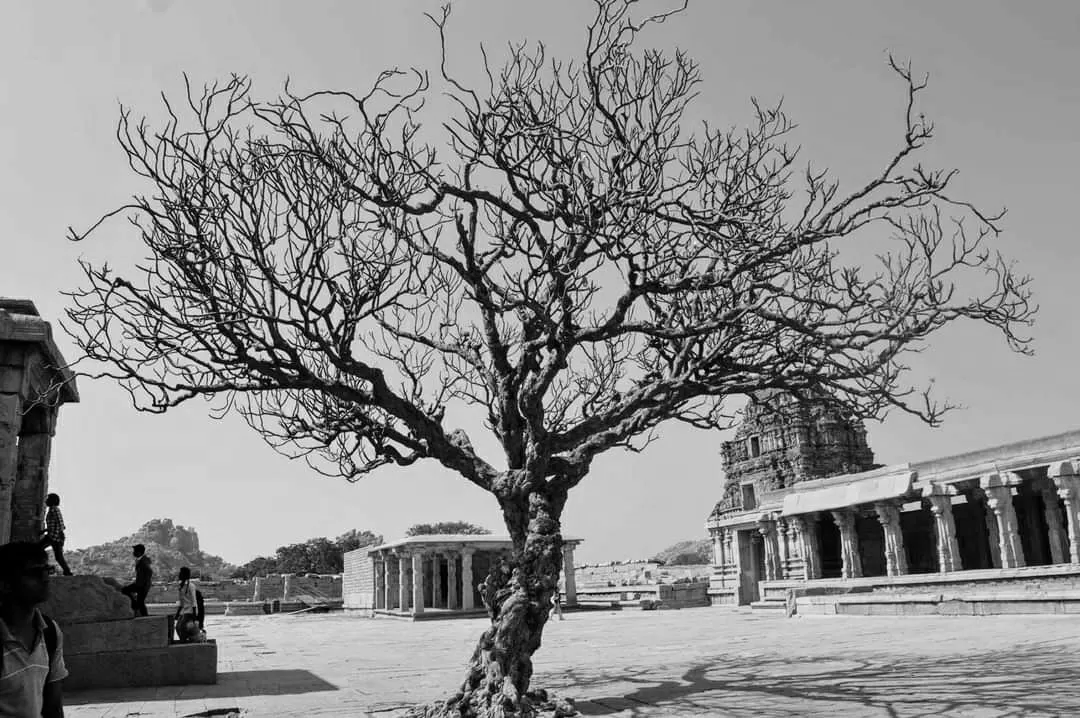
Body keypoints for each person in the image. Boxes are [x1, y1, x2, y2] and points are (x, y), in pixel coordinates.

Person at [0, 541, 68, 718]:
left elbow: (53, 707)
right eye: (35, 573)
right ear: (6, 584)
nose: (45, 578)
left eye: (47, 570)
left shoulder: (49, 632)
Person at [39, 493, 73, 577]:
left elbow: (60, 523)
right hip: (52, 536)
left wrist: (61, 536)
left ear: (52, 501)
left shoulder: (54, 509)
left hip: (55, 537)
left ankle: (66, 572)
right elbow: (53, 524)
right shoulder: (52, 509)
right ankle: (67, 572)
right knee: (58, 557)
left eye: (48, 499)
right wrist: (44, 530)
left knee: (39, 549)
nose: (46, 501)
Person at [121, 544, 153, 617]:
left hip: (142, 585)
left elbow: (149, 572)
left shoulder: (143, 561)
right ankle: (143, 614)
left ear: (139, 552)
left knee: (125, 590)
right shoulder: (141, 560)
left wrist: (144, 582)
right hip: (141, 584)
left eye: (135, 551)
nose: (133, 553)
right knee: (140, 602)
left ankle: (135, 605)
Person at [174, 567, 199, 643]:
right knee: (177, 627)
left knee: (182, 626)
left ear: (184, 575)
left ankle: (184, 642)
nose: (179, 574)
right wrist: (177, 614)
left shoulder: (191, 586)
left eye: (181, 573)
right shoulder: (180, 586)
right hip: (184, 610)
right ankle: (183, 640)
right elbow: (181, 603)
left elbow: (194, 601)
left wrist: (195, 617)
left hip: (191, 610)